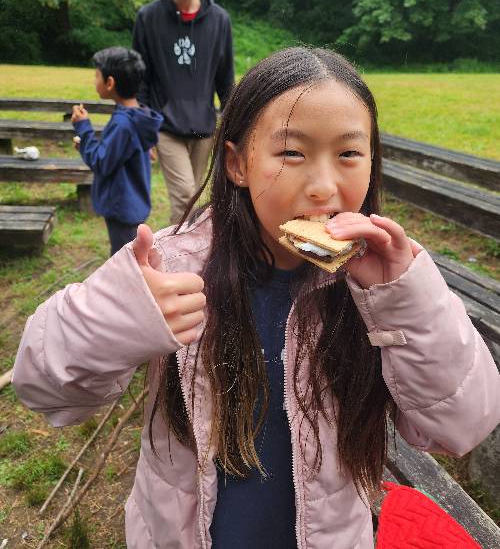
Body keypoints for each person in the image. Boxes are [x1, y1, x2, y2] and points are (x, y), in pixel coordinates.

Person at [13, 48, 500, 549]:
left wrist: (405, 299)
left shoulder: (383, 288)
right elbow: (43, 388)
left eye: (349, 154)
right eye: (292, 153)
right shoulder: (173, 267)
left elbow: (460, 426)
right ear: (237, 163)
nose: (324, 186)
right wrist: (119, 317)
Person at [132, 0, 234, 225]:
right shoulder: (148, 18)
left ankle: (176, 253)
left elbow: (225, 80)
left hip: (203, 126)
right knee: (185, 195)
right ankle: (174, 261)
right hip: (164, 125)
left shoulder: (219, 20)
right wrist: (143, 128)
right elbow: (142, 78)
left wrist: (233, 124)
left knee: (191, 199)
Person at [72, 47, 163, 256]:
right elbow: (115, 152)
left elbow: (102, 162)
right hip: (132, 202)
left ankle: (131, 287)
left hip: (122, 206)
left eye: (97, 76)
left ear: (110, 83)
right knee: (132, 254)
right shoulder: (137, 115)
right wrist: (85, 144)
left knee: (124, 259)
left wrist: (84, 128)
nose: (94, 81)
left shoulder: (123, 124)